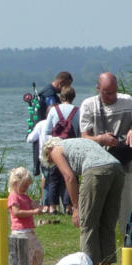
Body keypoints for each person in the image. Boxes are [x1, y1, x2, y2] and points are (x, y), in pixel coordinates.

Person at [42, 137, 125, 265]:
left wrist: (75, 208)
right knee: (107, 225)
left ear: (48, 152)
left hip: (95, 171)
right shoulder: (78, 142)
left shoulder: (55, 150)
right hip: (117, 169)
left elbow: (69, 178)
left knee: (88, 226)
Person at [79, 72, 132, 234]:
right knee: (99, 207)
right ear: (98, 89)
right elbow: (84, 137)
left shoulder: (128, 101)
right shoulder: (89, 105)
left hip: (126, 161)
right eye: (106, 93)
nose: (111, 96)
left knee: (126, 205)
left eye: (114, 92)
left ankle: (126, 239)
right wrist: (101, 139)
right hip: (99, 162)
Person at [30, 71, 73, 175]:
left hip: (39, 132)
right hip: (49, 136)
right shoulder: (50, 96)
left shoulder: (44, 92)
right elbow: (56, 114)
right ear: (61, 83)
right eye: (67, 86)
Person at [44, 85, 79, 214]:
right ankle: (68, 206)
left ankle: (52, 206)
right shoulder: (77, 110)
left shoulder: (54, 110)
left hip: (56, 146)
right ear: (73, 97)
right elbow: (80, 132)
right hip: (72, 146)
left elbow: (48, 130)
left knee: (54, 178)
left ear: (61, 96)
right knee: (70, 176)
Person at [7, 167, 44, 265]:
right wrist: (33, 211)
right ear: (15, 183)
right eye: (24, 186)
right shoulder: (13, 197)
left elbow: (32, 204)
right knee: (26, 255)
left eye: (28, 186)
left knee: (38, 251)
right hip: (20, 231)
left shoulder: (24, 196)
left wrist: (40, 208)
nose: (26, 188)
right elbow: (16, 212)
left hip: (29, 230)